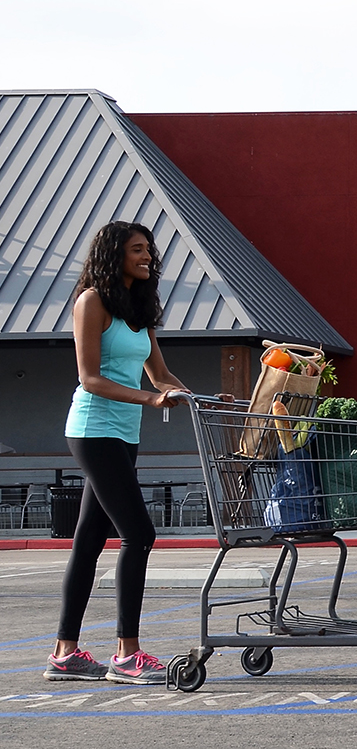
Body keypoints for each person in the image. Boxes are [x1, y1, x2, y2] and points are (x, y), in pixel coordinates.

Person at [44, 222, 197, 684]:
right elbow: (90, 377)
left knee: (89, 540)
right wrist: (152, 401)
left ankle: (65, 654)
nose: (147, 256)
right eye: (137, 249)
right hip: (92, 429)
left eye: (149, 249)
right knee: (140, 534)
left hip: (124, 435)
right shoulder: (92, 302)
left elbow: (160, 373)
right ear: (115, 255)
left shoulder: (139, 309)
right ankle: (127, 654)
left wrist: (198, 398)